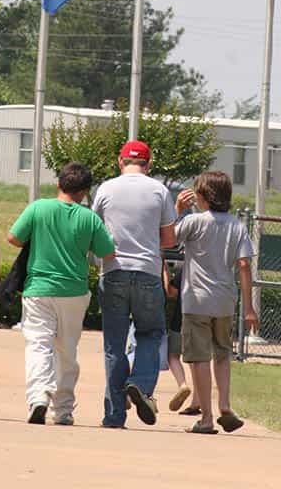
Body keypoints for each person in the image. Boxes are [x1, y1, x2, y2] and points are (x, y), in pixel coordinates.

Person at [8, 162, 115, 426]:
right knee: (67, 351)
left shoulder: (39, 208)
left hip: (39, 288)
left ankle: (38, 397)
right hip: (74, 291)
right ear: (85, 191)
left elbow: (13, 238)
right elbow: (107, 253)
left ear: (59, 184)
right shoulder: (89, 217)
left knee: (38, 344)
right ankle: (63, 409)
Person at [92, 139, 176, 429]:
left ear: (120, 161)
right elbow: (169, 240)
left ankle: (114, 415)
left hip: (112, 270)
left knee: (114, 345)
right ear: (148, 164)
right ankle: (140, 383)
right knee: (151, 334)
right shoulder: (160, 191)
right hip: (148, 272)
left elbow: (94, 230)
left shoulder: (105, 189)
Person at [174, 170, 258, 435]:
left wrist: (178, 211)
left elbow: (168, 239)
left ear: (202, 196)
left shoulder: (194, 222)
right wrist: (249, 308)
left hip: (196, 301)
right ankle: (225, 404)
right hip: (225, 301)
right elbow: (244, 264)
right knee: (222, 354)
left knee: (198, 358)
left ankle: (207, 418)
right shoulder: (237, 225)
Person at [162, 261, 196, 414]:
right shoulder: (214, 264)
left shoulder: (184, 267)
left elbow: (171, 292)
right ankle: (197, 401)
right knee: (198, 361)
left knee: (173, 356)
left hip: (181, 318)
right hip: (206, 316)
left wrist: (165, 273)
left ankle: (182, 384)